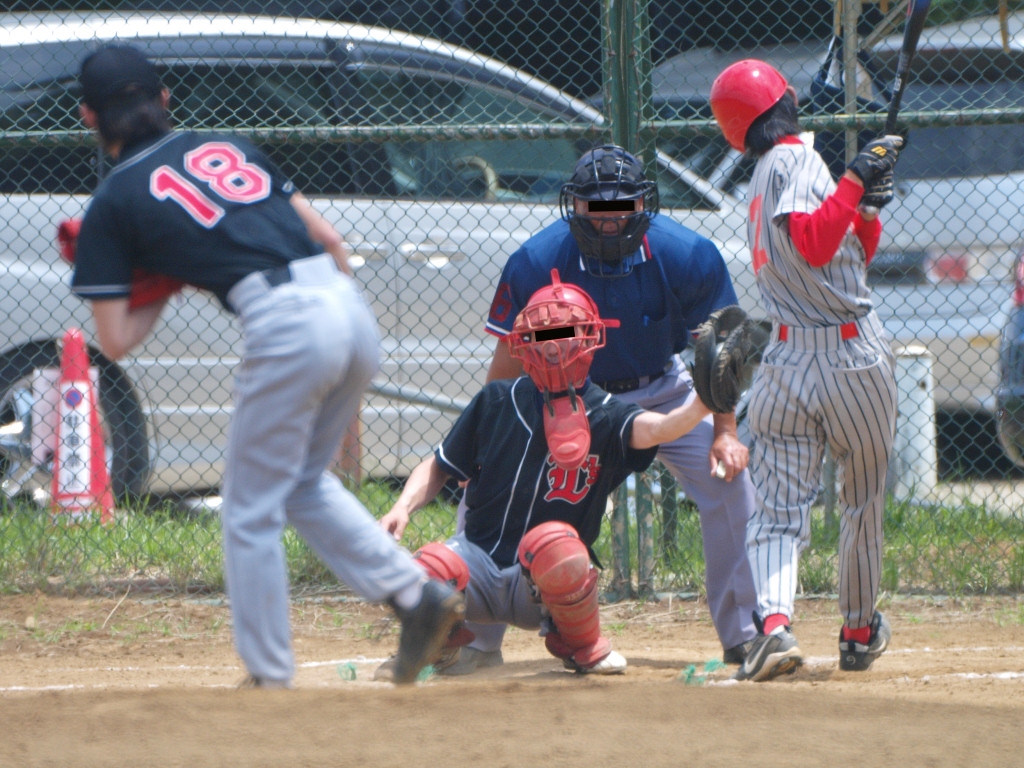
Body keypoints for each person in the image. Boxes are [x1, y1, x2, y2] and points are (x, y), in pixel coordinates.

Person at [69, 44, 464, 688]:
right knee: (302, 483)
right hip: (346, 306)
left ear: (88, 116)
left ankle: (268, 675)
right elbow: (328, 238)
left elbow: (115, 341)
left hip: (284, 324)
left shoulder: (113, 201)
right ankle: (415, 596)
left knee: (248, 510)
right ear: (165, 100)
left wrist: (159, 279)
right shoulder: (227, 147)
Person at [474, 143, 759, 673]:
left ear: (643, 203)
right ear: (574, 205)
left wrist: (725, 433)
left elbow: (722, 352)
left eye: (621, 206)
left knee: (730, 483)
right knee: (499, 494)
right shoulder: (537, 261)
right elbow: (511, 356)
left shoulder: (686, 254)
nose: (609, 219)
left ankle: (746, 635)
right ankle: (475, 638)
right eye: (596, 206)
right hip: (567, 395)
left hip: (665, 389)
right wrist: (493, 445)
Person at [376, 271, 714, 677]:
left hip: (544, 588)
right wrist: (402, 506)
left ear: (589, 338)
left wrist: (702, 404)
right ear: (524, 344)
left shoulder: (607, 413)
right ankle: (442, 646)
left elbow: (660, 428)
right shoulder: (498, 399)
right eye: (541, 336)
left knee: (555, 543)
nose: (553, 347)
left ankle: (581, 644)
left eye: (566, 333)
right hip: (478, 565)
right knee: (425, 568)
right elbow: (439, 465)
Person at [709, 59, 901, 681]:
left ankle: (773, 627)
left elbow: (846, 255)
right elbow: (817, 245)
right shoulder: (795, 157)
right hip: (852, 359)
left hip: (788, 361)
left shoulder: (764, 173)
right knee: (862, 500)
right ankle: (857, 631)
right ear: (783, 104)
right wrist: (854, 178)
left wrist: (863, 209)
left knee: (776, 510)